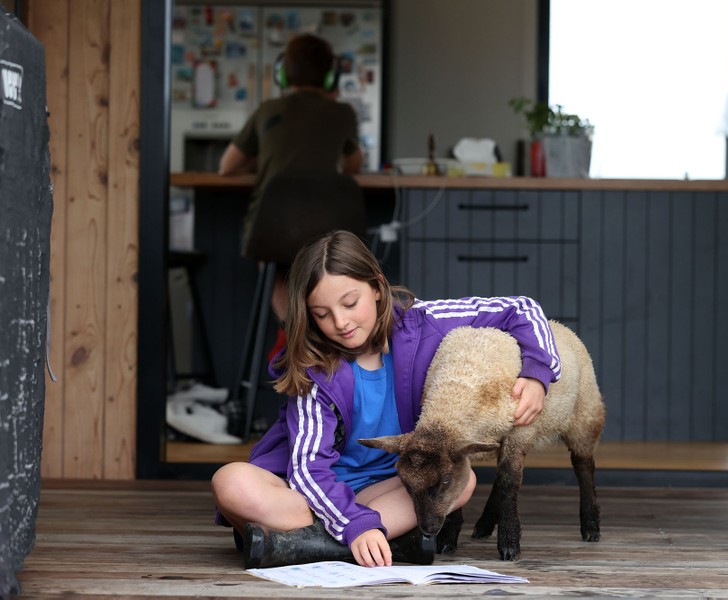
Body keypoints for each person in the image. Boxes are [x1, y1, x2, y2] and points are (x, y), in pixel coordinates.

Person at [211, 230, 561, 568]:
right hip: (307, 496)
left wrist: (537, 373)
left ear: (377, 287)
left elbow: (521, 308)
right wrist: (353, 524)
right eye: (322, 314)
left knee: (463, 481)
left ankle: (297, 545)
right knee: (230, 482)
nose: (341, 322)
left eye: (350, 303)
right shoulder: (312, 367)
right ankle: (375, 540)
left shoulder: (424, 322)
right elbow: (307, 469)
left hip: (391, 489)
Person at [218, 33, 363, 321]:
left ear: (283, 76)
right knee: (320, 263)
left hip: (274, 229)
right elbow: (352, 166)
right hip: (330, 232)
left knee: (275, 261)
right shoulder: (343, 112)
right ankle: (318, 341)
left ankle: (290, 334)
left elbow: (226, 166)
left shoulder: (268, 110)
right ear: (330, 78)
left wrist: (262, 162)